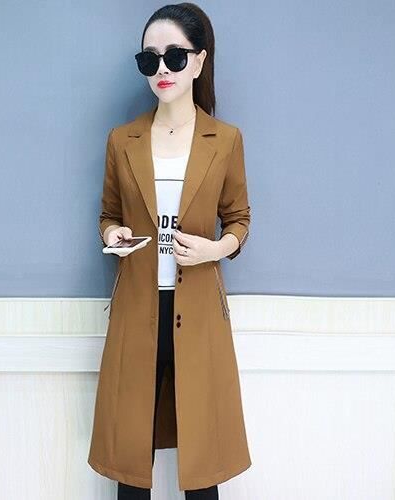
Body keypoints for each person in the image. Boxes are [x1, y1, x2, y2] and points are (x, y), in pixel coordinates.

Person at [88, 3, 252, 499]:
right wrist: (113, 236)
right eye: (149, 59)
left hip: (198, 312)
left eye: (175, 57)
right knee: (130, 460)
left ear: (199, 61)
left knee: (203, 463)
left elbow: (239, 220)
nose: (161, 69)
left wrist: (213, 249)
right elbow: (108, 214)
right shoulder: (123, 140)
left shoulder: (225, 140)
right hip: (137, 309)